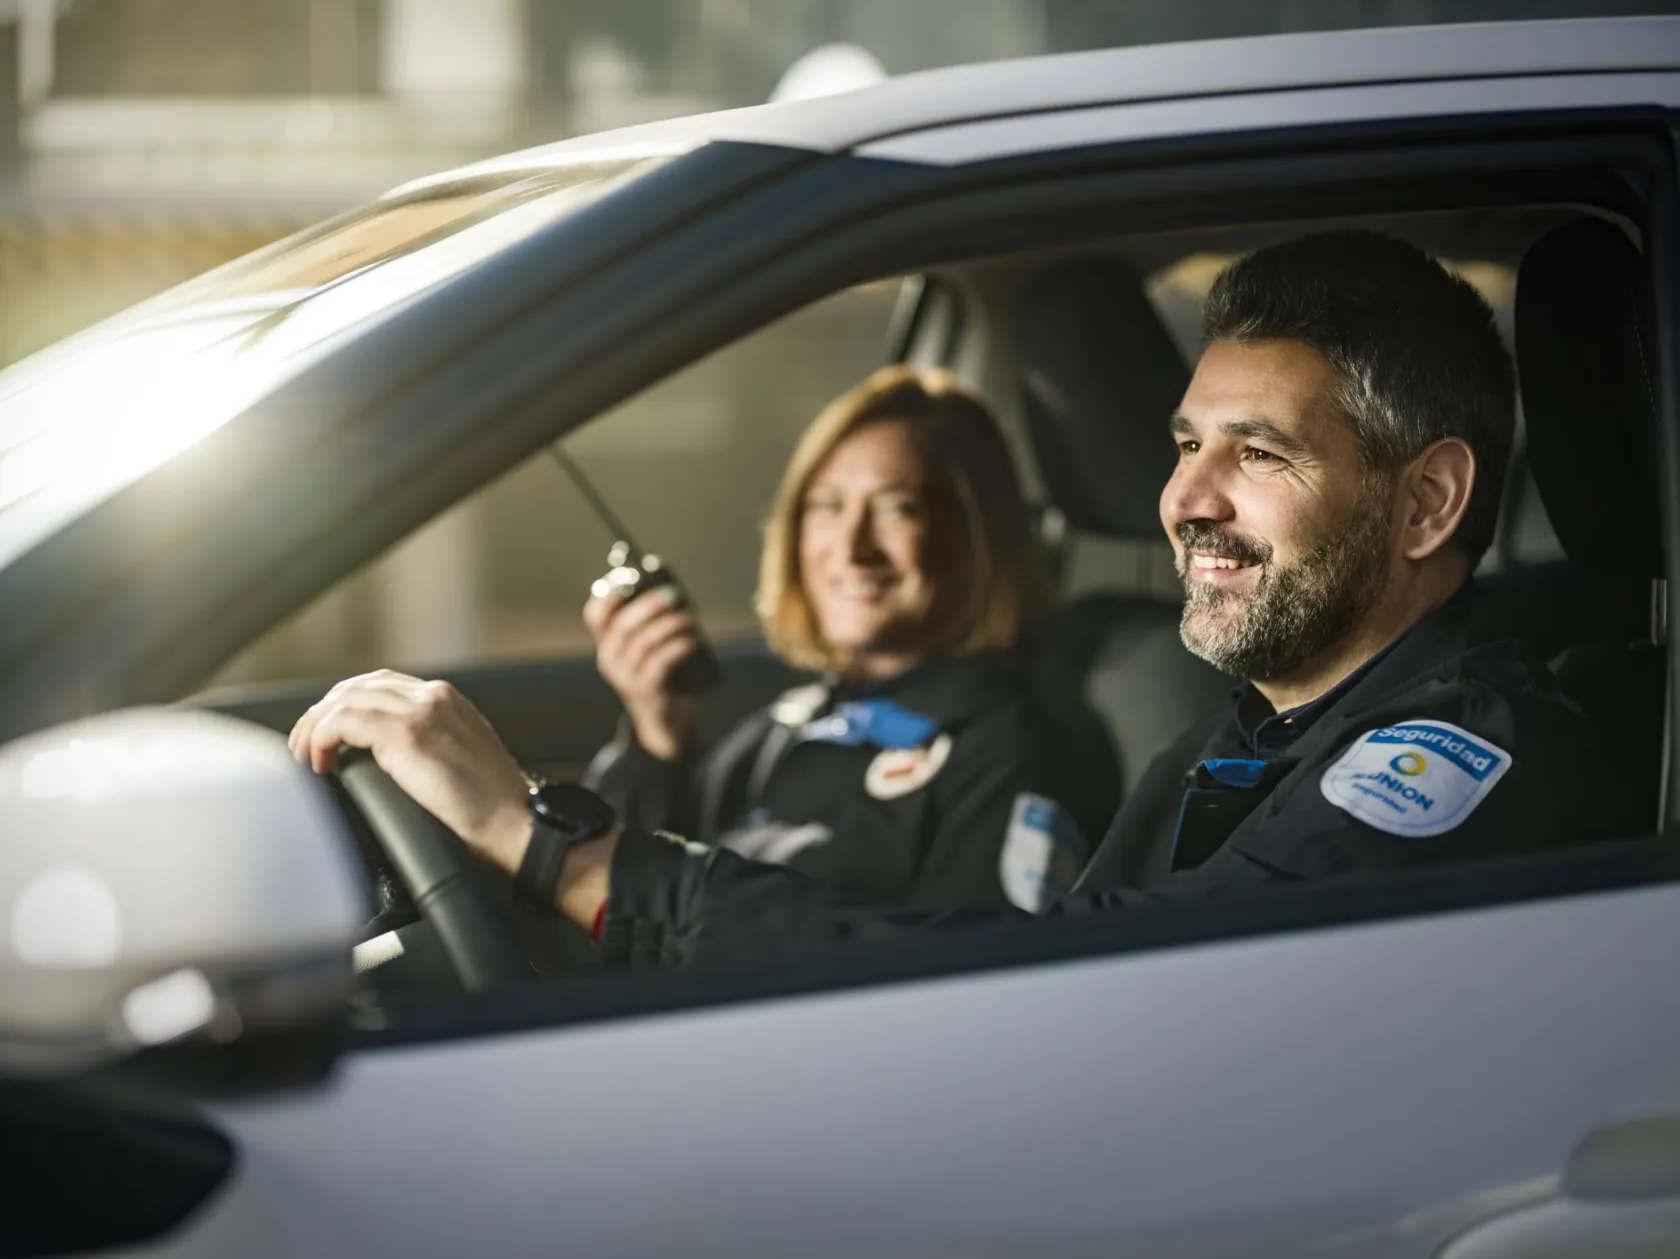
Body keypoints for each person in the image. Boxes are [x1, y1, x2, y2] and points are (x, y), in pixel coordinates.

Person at [291, 230, 1611, 971]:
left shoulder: (1448, 762)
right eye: (1182, 441)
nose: (1185, 499)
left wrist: (572, 857)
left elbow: (1074, 993)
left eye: (1256, 451)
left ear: (1429, 503)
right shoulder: (1234, 742)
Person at [579, 365, 1118, 912]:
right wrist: (655, 738)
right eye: (829, 506)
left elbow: (967, 979)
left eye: (896, 507)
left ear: (974, 535)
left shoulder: (1010, 753)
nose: (853, 548)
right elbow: (621, 897)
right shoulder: (788, 724)